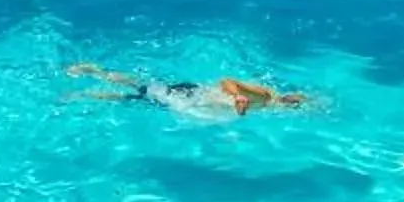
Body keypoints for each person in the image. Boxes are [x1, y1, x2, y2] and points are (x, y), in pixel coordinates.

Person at [65, 64, 307, 116]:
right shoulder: (265, 96)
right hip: (189, 95)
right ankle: (93, 71)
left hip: (190, 103)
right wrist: (237, 95)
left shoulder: (266, 108)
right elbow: (227, 81)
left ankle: (85, 95)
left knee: (135, 98)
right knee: (139, 89)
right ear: (288, 102)